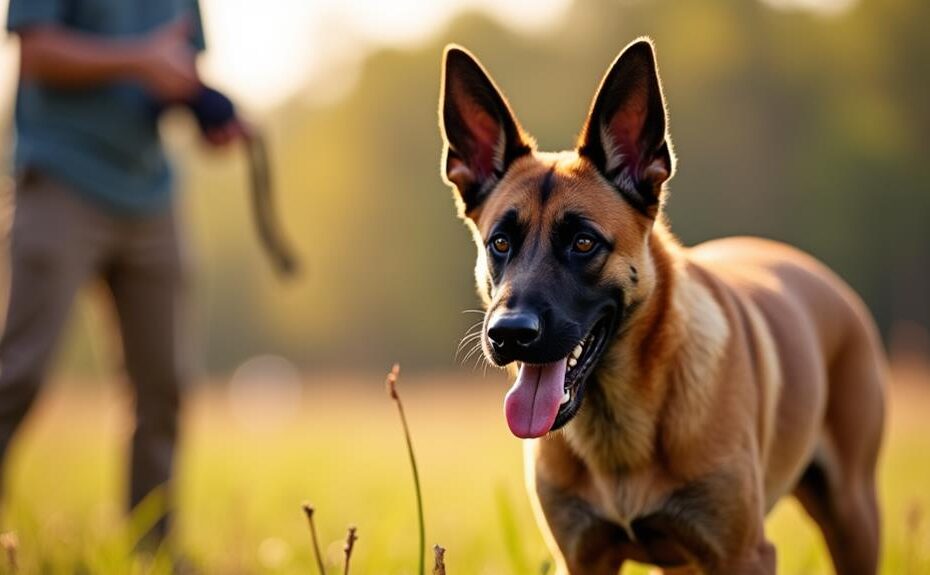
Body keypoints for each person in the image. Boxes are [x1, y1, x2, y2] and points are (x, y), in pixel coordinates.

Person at [0, 0, 240, 545]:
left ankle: (153, 548)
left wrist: (210, 113)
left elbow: (175, 70)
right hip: (60, 179)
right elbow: (35, 52)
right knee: (18, 373)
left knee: (164, 386)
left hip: (150, 193)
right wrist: (138, 60)